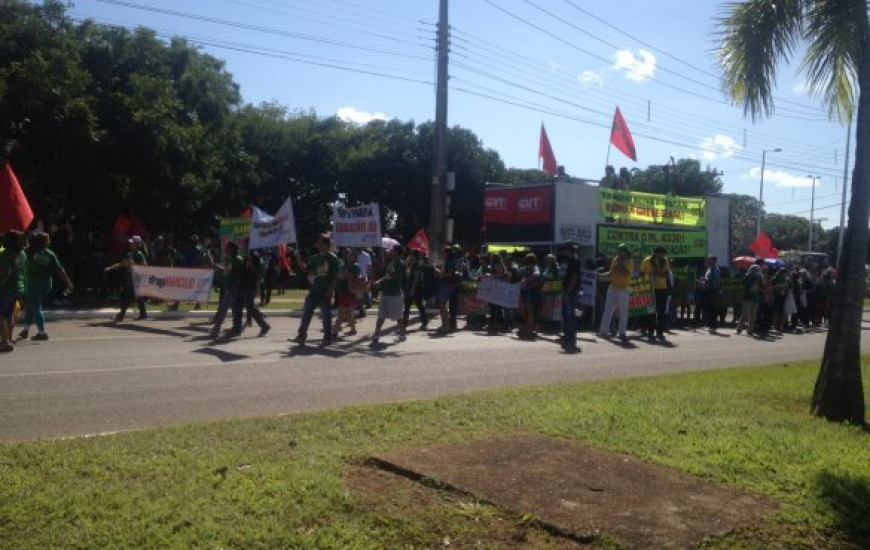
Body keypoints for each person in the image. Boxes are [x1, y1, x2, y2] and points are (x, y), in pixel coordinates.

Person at [19, 232, 73, 342]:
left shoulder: (28, 251)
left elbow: (17, 260)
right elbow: (60, 270)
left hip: (32, 284)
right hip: (45, 284)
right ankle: (26, 329)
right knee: (31, 306)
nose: (49, 242)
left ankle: (42, 332)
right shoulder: (49, 254)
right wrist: (68, 282)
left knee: (35, 307)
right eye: (47, 241)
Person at [293, 234, 339, 347]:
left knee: (326, 316)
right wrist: (299, 261)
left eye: (319, 243)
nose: (317, 245)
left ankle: (327, 338)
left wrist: (331, 290)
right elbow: (306, 269)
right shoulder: (315, 257)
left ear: (326, 244)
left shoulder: (333, 258)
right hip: (314, 290)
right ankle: (301, 336)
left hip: (325, 290)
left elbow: (335, 276)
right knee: (307, 313)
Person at [105, 235, 148, 322]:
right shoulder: (129, 254)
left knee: (127, 297)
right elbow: (121, 264)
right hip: (130, 279)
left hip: (136, 280)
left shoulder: (139, 254)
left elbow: (145, 265)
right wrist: (111, 268)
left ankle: (121, 316)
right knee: (137, 297)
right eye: (131, 243)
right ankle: (143, 314)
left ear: (137, 244)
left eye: (132, 243)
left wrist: (134, 265)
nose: (130, 244)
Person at [371, 245, 406, 346]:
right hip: (386, 292)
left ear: (397, 252)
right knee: (381, 315)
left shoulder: (400, 263)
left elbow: (397, 277)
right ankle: (376, 334)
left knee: (398, 316)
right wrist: (378, 281)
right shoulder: (391, 262)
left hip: (394, 294)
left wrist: (388, 268)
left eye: (392, 250)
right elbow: (387, 276)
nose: (390, 252)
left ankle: (402, 334)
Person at [598, 243, 633, 341]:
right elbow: (611, 273)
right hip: (613, 288)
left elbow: (626, 272)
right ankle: (604, 331)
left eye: (622, 251)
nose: (620, 252)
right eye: (619, 250)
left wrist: (620, 264)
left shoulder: (628, 261)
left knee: (623, 312)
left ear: (626, 252)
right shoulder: (615, 259)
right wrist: (600, 275)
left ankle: (622, 333)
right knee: (608, 310)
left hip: (624, 289)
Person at [209, 241, 243, 338]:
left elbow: (226, 272)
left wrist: (217, 268)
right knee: (235, 310)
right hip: (237, 288)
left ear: (233, 249)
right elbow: (227, 269)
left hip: (231, 288)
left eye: (228, 248)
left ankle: (216, 328)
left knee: (223, 308)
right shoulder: (239, 259)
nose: (226, 250)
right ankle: (237, 328)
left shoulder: (232, 260)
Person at [0, 231, 26, 352]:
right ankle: (9, 339)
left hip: (6, 287)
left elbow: (4, 272)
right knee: (8, 314)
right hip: (18, 287)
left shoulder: (7, 254)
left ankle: (4, 341)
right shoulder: (22, 254)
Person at [235, 248, 270, 338]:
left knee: (250, 307)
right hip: (242, 285)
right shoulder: (244, 258)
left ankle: (264, 326)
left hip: (250, 286)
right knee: (238, 306)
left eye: (247, 245)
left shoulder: (256, 259)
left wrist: (251, 266)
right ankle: (236, 328)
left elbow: (258, 273)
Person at [640, 246, 671, 340]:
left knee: (661, 311)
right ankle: (650, 331)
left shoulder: (665, 261)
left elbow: (666, 274)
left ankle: (660, 332)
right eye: (662, 254)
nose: (664, 256)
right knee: (650, 311)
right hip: (649, 289)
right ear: (657, 253)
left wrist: (657, 273)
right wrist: (649, 276)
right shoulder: (646, 260)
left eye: (664, 255)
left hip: (662, 288)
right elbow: (641, 274)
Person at [333, 248, 361, 338]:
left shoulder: (355, 266)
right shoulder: (344, 265)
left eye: (351, 255)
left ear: (355, 257)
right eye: (347, 254)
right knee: (348, 312)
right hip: (342, 291)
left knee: (341, 311)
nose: (348, 256)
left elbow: (350, 276)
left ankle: (335, 331)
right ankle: (353, 329)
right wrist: (341, 275)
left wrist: (343, 275)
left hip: (348, 292)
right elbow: (339, 275)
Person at [560, 243, 581, 351]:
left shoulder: (574, 261)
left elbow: (574, 277)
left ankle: (571, 338)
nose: (564, 251)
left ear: (569, 250)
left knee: (570, 315)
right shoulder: (569, 261)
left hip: (571, 291)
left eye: (565, 249)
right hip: (568, 290)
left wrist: (567, 292)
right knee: (566, 315)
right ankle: (567, 336)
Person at [435, 245, 460, 334]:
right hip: (447, 284)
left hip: (447, 284)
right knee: (442, 305)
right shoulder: (449, 261)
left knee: (442, 305)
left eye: (443, 252)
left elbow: (449, 274)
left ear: (447, 253)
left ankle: (446, 326)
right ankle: (445, 324)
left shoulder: (449, 262)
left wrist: (439, 272)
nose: (442, 254)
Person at [517, 253, 543, 339]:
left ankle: (530, 328)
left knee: (530, 310)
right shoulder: (525, 267)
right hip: (524, 291)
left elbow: (537, 275)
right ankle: (526, 325)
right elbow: (518, 273)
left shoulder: (535, 268)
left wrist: (527, 279)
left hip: (531, 291)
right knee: (522, 308)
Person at [402, 249, 428, 330]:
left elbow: (416, 277)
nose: (409, 256)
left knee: (419, 305)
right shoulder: (409, 263)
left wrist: (412, 289)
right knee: (407, 307)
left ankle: (424, 323)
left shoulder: (417, 264)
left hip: (416, 288)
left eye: (411, 255)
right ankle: (404, 324)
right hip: (409, 287)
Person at [736, 264, 763, 336]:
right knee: (745, 314)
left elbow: (762, 287)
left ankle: (750, 330)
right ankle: (739, 328)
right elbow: (745, 288)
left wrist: (758, 286)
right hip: (747, 298)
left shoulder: (759, 277)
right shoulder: (747, 277)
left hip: (755, 298)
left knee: (753, 315)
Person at [699, 254, 721, 332]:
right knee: (707, 309)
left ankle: (713, 326)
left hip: (712, 292)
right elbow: (708, 279)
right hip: (707, 291)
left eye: (709, 259)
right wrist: (703, 280)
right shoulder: (709, 269)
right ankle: (709, 325)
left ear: (713, 260)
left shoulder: (715, 269)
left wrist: (705, 282)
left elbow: (714, 282)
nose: (708, 261)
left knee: (712, 309)